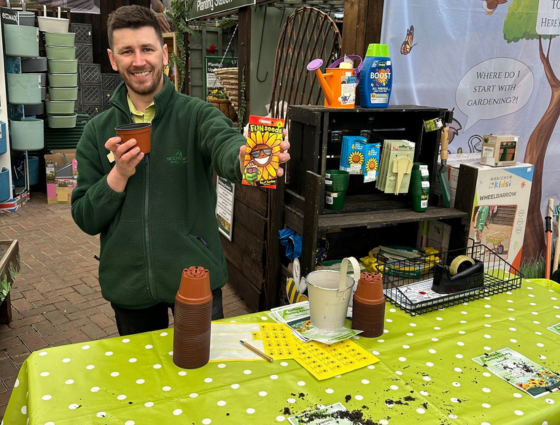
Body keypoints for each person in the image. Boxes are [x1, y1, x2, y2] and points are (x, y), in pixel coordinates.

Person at [71, 5, 290, 336]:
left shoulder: (197, 115)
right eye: (127, 51)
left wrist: (246, 157)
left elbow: (225, 145)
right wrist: (118, 175)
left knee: (203, 361)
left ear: (164, 53)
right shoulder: (97, 131)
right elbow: (86, 218)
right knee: (145, 366)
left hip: (196, 274)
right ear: (113, 59)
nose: (139, 60)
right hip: (129, 284)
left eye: (147, 49)